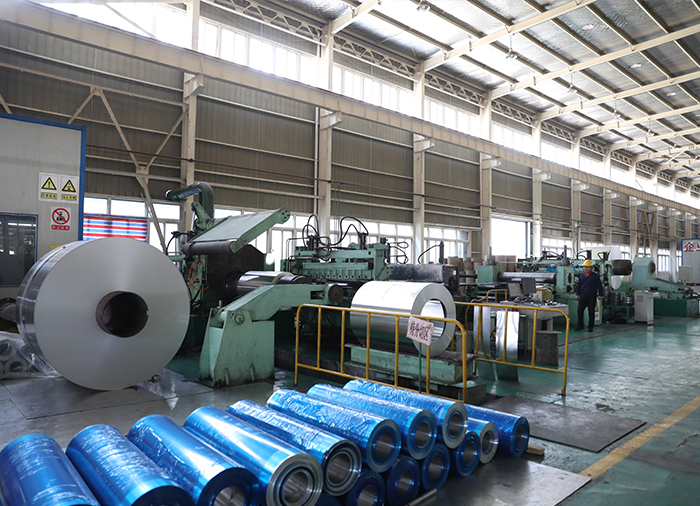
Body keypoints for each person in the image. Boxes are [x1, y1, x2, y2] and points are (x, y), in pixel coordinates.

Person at [576, 259, 604, 332]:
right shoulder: (581, 276)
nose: (585, 269)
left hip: (592, 297)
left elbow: (599, 286)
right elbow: (579, 286)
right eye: (584, 267)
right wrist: (577, 294)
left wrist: (600, 294)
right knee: (579, 311)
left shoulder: (595, 276)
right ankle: (580, 325)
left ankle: (590, 327)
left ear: (591, 268)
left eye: (587, 267)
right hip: (583, 296)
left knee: (591, 312)